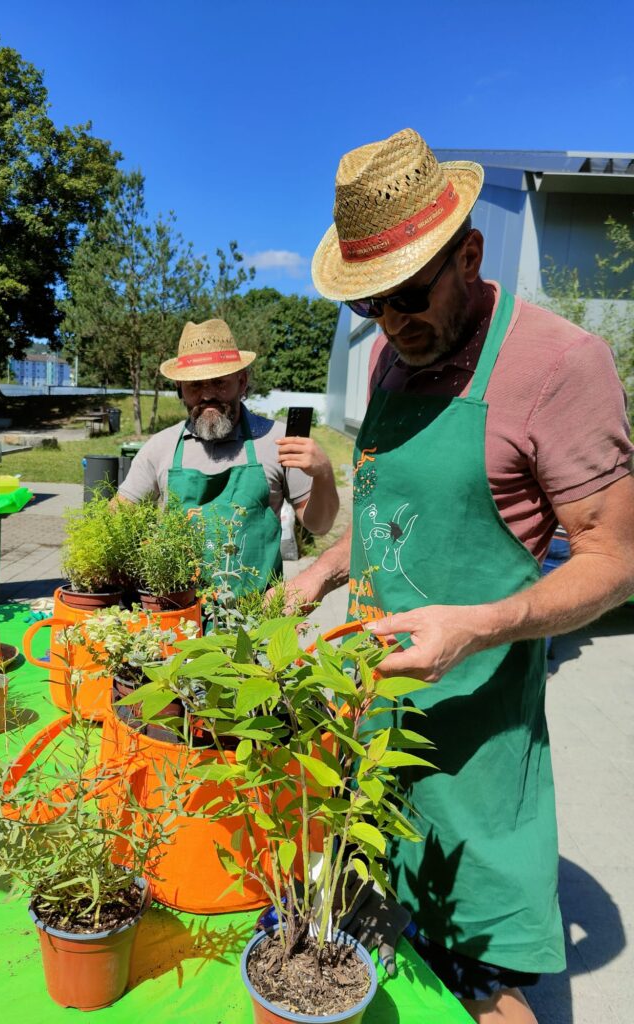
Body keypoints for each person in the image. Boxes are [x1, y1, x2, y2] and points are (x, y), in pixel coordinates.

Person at [289, 128, 634, 1023]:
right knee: (380, 950)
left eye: (409, 295)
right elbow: (393, 507)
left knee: (484, 983)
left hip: (477, 744)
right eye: (374, 306)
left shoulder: (560, 366)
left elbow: (617, 561)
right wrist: (328, 565)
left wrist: (476, 625)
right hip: (372, 718)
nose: (394, 323)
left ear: (470, 255)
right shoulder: (388, 359)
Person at [116, 317, 339, 594]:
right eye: (195, 385)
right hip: (179, 617)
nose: (208, 394)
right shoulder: (161, 447)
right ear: (180, 390)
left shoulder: (277, 441)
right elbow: (118, 518)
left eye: (219, 382)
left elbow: (319, 525)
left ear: (242, 381)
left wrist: (324, 473)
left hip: (256, 621)